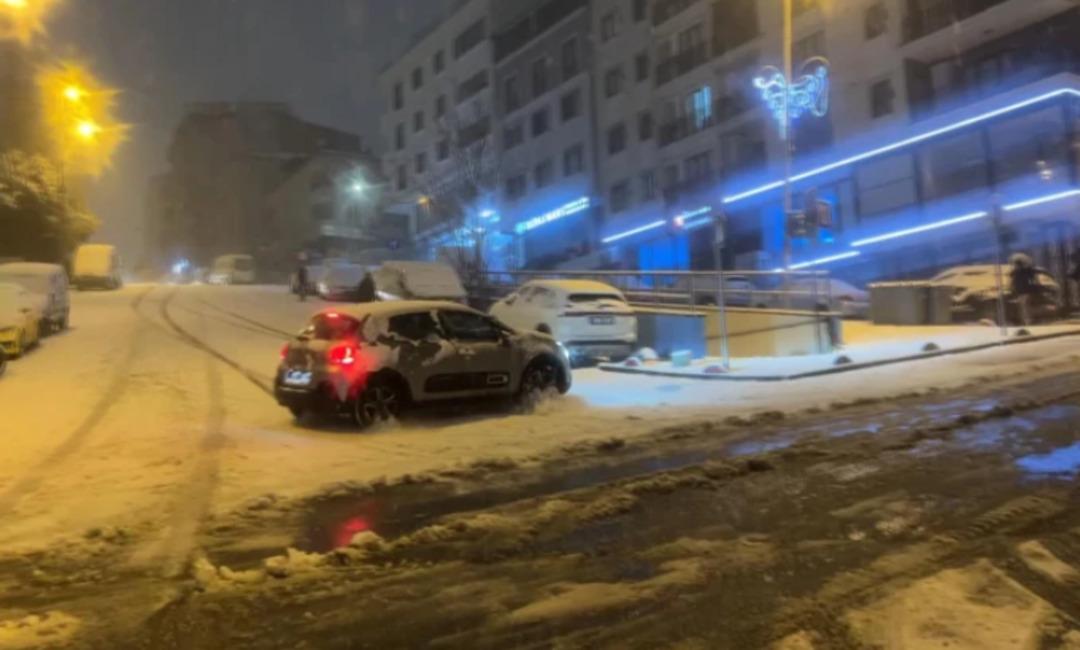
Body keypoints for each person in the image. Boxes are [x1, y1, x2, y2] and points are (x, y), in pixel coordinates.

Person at [1009, 253, 1037, 326]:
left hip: (1025, 291)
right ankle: (1026, 320)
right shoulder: (1017, 272)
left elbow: (1032, 278)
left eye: (1016, 264)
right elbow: (1012, 281)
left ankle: (1027, 320)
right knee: (1023, 306)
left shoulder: (1025, 271)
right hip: (1020, 291)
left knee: (1024, 306)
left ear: (1019, 265)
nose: (1015, 266)